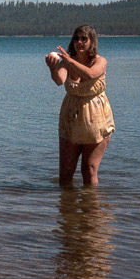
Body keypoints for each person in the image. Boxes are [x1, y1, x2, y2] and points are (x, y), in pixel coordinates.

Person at [45, 25, 115, 185]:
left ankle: (91, 208)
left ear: (92, 42)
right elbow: (59, 81)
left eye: (84, 38)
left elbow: (90, 74)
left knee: (89, 169)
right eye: (76, 38)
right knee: (66, 172)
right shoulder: (66, 62)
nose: (79, 42)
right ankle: (66, 208)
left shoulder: (100, 61)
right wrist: (52, 69)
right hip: (71, 119)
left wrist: (69, 60)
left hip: (97, 120)